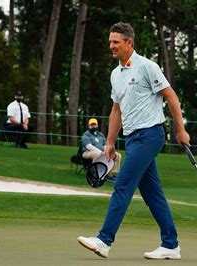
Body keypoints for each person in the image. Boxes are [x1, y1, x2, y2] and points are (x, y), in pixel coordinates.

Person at [77, 22, 190, 260]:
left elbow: (170, 96)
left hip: (150, 135)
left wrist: (181, 130)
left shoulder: (147, 67)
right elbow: (116, 110)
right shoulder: (115, 74)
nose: (112, 46)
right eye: (110, 42)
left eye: (116, 42)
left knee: (123, 185)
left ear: (130, 42)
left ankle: (104, 240)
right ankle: (171, 244)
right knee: (152, 194)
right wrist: (109, 142)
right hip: (132, 139)